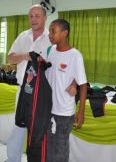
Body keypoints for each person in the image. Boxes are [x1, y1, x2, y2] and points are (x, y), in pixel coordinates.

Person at [6, 5, 76, 162]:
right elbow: (10, 58)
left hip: (43, 93)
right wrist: (26, 56)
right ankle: (12, 159)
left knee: (39, 129)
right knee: (18, 126)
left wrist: (73, 83)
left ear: (45, 18)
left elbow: (68, 62)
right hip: (22, 91)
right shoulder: (23, 36)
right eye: (31, 16)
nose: (33, 19)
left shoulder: (52, 39)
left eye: (37, 16)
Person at [45, 19, 87, 162]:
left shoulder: (75, 55)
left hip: (64, 112)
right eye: (50, 30)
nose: (50, 34)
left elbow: (83, 84)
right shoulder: (50, 51)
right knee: (49, 147)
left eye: (53, 31)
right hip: (48, 109)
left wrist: (81, 112)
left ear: (65, 33)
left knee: (61, 150)